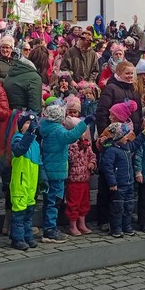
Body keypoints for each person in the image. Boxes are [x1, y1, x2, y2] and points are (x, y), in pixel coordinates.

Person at [38, 101, 91, 243]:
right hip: (56, 171)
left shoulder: (46, 127)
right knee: (54, 201)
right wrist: (85, 123)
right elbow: (71, 136)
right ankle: (50, 230)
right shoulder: (57, 130)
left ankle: (49, 227)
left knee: (49, 201)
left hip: (49, 169)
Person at [9, 112, 46, 250]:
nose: (30, 125)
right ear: (20, 126)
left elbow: (39, 163)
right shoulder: (18, 138)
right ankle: (17, 238)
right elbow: (19, 150)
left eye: (32, 123)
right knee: (19, 212)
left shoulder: (35, 143)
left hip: (31, 184)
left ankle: (27, 235)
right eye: (27, 123)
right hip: (20, 182)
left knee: (29, 211)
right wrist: (29, 133)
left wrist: (43, 179)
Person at [98, 122, 138, 238]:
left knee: (128, 206)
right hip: (118, 184)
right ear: (118, 137)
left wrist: (144, 134)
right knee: (117, 207)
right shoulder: (111, 150)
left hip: (129, 182)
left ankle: (127, 226)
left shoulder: (127, 147)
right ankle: (116, 228)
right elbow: (108, 167)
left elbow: (137, 142)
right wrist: (112, 182)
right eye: (125, 135)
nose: (127, 138)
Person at [63, 97, 97, 235]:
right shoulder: (70, 145)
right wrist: (77, 147)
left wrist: (92, 163)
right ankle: (73, 225)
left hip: (85, 178)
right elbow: (71, 159)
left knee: (84, 202)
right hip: (74, 179)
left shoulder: (86, 144)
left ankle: (82, 223)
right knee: (74, 203)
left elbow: (92, 155)